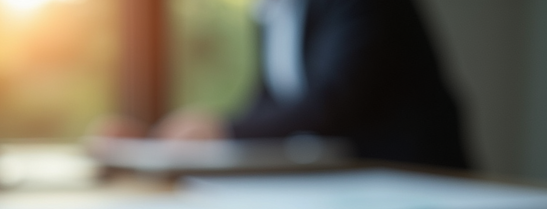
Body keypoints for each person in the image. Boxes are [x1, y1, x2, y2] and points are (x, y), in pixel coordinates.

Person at [95, 0, 469, 169]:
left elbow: (335, 99)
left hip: (414, 175)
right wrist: (162, 138)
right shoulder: (273, 11)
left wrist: (224, 129)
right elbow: (270, 101)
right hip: (346, 183)